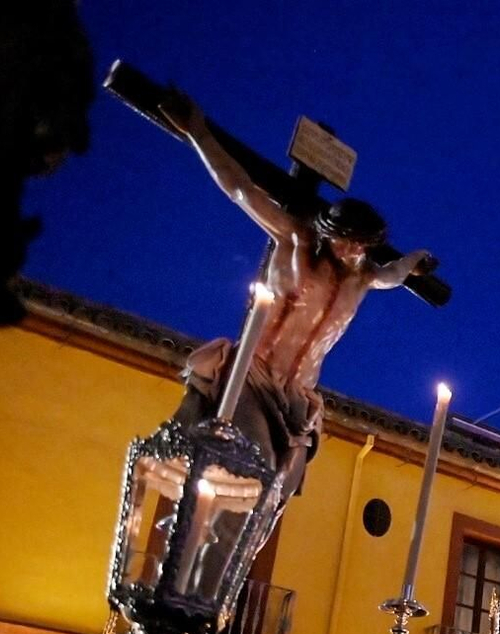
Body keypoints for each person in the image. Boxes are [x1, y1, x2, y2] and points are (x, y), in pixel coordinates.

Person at [159, 92, 435, 496]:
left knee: (277, 494)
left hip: (298, 398)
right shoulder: (295, 245)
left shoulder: (363, 278)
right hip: (254, 375)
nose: (354, 253)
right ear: (329, 234)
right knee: (250, 468)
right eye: (347, 242)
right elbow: (240, 189)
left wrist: (414, 260)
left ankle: (234, 555)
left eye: (362, 246)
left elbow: (392, 275)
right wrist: (198, 132)